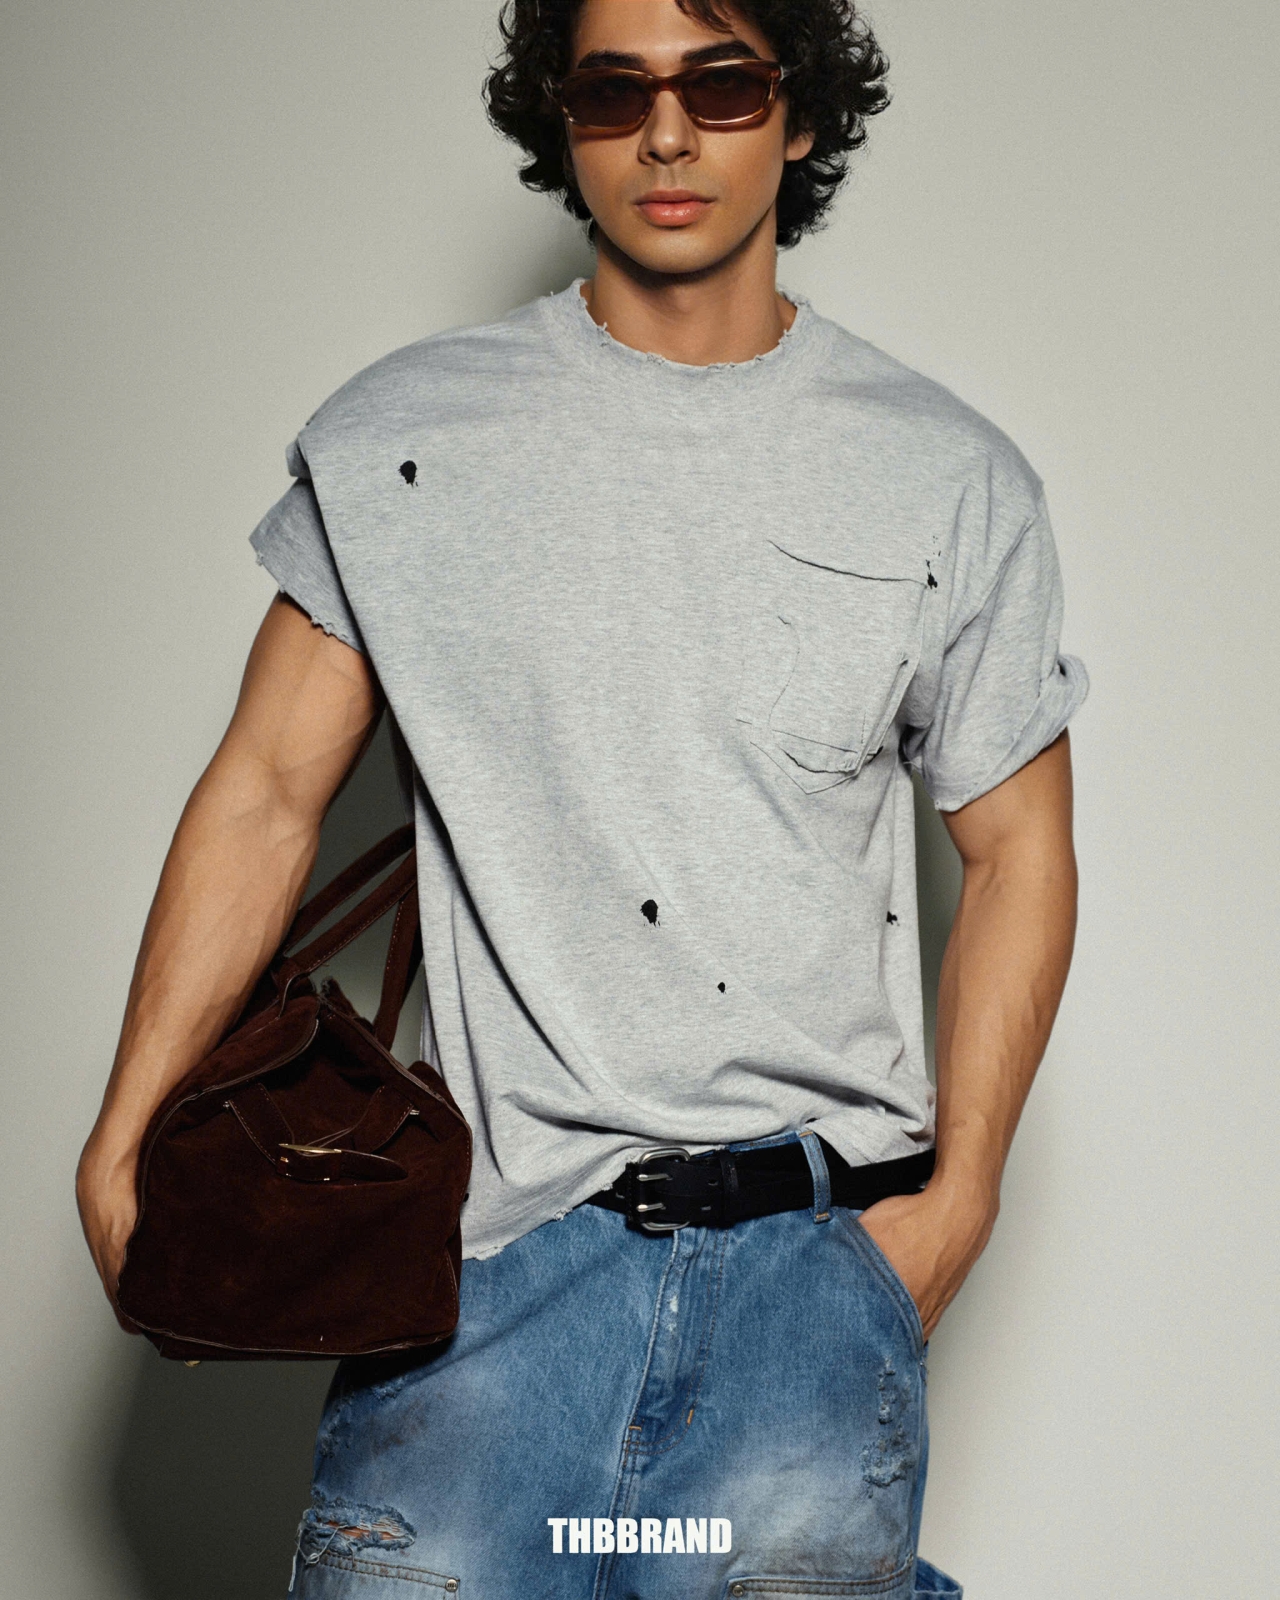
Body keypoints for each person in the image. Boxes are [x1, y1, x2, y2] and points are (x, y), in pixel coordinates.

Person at [76, 1, 1088, 1595]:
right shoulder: (407, 438)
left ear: (801, 116)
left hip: (806, 1288)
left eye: (723, 84)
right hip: (478, 1293)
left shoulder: (946, 476)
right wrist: (124, 1130)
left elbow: (1019, 846)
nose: (667, 133)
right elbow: (265, 790)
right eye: (616, 91)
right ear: (561, 120)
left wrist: (957, 1208)